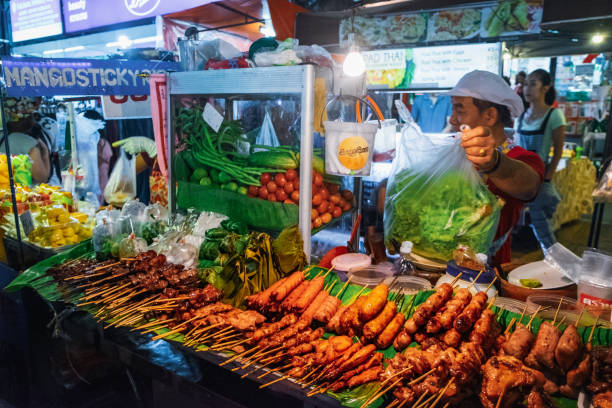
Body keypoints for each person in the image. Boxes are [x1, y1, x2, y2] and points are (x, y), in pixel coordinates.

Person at [448, 70, 545, 265]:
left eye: (459, 110)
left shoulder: (522, 158)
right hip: (438, 263)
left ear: (490, 115)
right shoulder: (452, 151)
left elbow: (529, 185)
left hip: (487, 273)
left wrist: (493, 163)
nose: (452, 120)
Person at [514, 69, 566, 250]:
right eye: (525, 84)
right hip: (519, 179)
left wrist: (547, 179)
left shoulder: (554, 115)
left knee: (543, 230)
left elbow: (558, 151)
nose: (527, 88)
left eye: (533, 83)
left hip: (540, 179)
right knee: (510, 225)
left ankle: (559, 270)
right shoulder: (520, 118)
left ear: (545, 87)